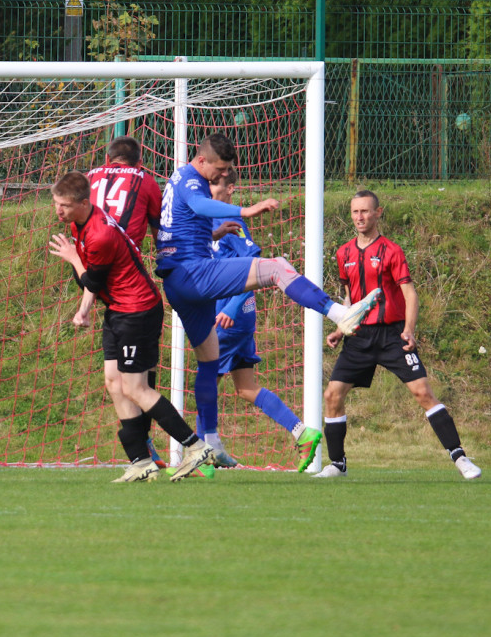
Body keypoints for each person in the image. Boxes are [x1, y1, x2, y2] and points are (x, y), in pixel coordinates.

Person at [156, 133, 380, 465]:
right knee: (277, 268)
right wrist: (247, 209)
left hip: (177, 283)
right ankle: (338, 313)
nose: (223, 177)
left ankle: (208, 445)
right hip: (194, 274)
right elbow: (200, 206)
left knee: (208, 363)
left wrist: (216, 233)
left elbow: (182, 222)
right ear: (201, 161)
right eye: (219, 170)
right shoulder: (192, 182)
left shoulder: (177, 178)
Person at [48, 170, 213, 483]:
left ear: (84, 203)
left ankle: (196, 447)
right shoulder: (79, 223)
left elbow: (90, 279)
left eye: (65, 205)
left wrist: (72, 258)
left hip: (137, 311)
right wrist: (84, 310)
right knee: (113, 382)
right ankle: (140, 462)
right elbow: (93, 283)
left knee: (136, 388)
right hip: (118, 310)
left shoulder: (100, 234)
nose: (59, 210)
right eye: (56, 203)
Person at [316, 190, 481, 480]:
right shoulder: (344, 253)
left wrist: (409, 329)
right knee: (332, 395)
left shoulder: (391, 251)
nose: (360, 217)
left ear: (378, 213)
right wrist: (340, 329)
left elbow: (409, 293)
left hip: (392, 335)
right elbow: (349, 298)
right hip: (359, 338)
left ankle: (460, 458)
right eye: (355, 212)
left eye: (365, 212)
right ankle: (337, 465)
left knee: (423, 393)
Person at [207, 168, 322, 471]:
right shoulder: (207, 222)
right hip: (231, 316)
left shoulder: (231, 223)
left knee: (206, 381)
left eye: (213, 185)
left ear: (230, 190)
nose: (207, 190)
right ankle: (302, 433)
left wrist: (231, 308)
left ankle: (205, 455)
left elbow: (256, 270)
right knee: (245, 388)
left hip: (230, 318)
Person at [85, 136, 167, 466]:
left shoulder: (89, 176)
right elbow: (160, 226)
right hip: (121, 275)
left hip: (110, 273)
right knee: (123, 379)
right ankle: (145, 451)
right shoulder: (146, 180)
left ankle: (185, 445)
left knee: (131, 380)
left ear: (107, 157)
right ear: (138, 162)